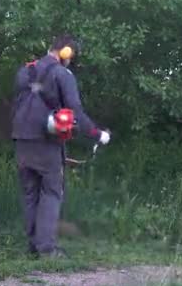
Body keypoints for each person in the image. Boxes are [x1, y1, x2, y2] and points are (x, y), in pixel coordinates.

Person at [11, 34, 111, 258]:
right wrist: (97, 134)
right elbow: (75, 110)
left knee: (30, 193)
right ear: (66, 52)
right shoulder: (62, 74)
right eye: (71, 55)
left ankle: (33, 247)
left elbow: (16, 105)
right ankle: (47, 249)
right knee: (51, 192)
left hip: (21, 140)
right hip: (46, 143)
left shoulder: (25, 71)